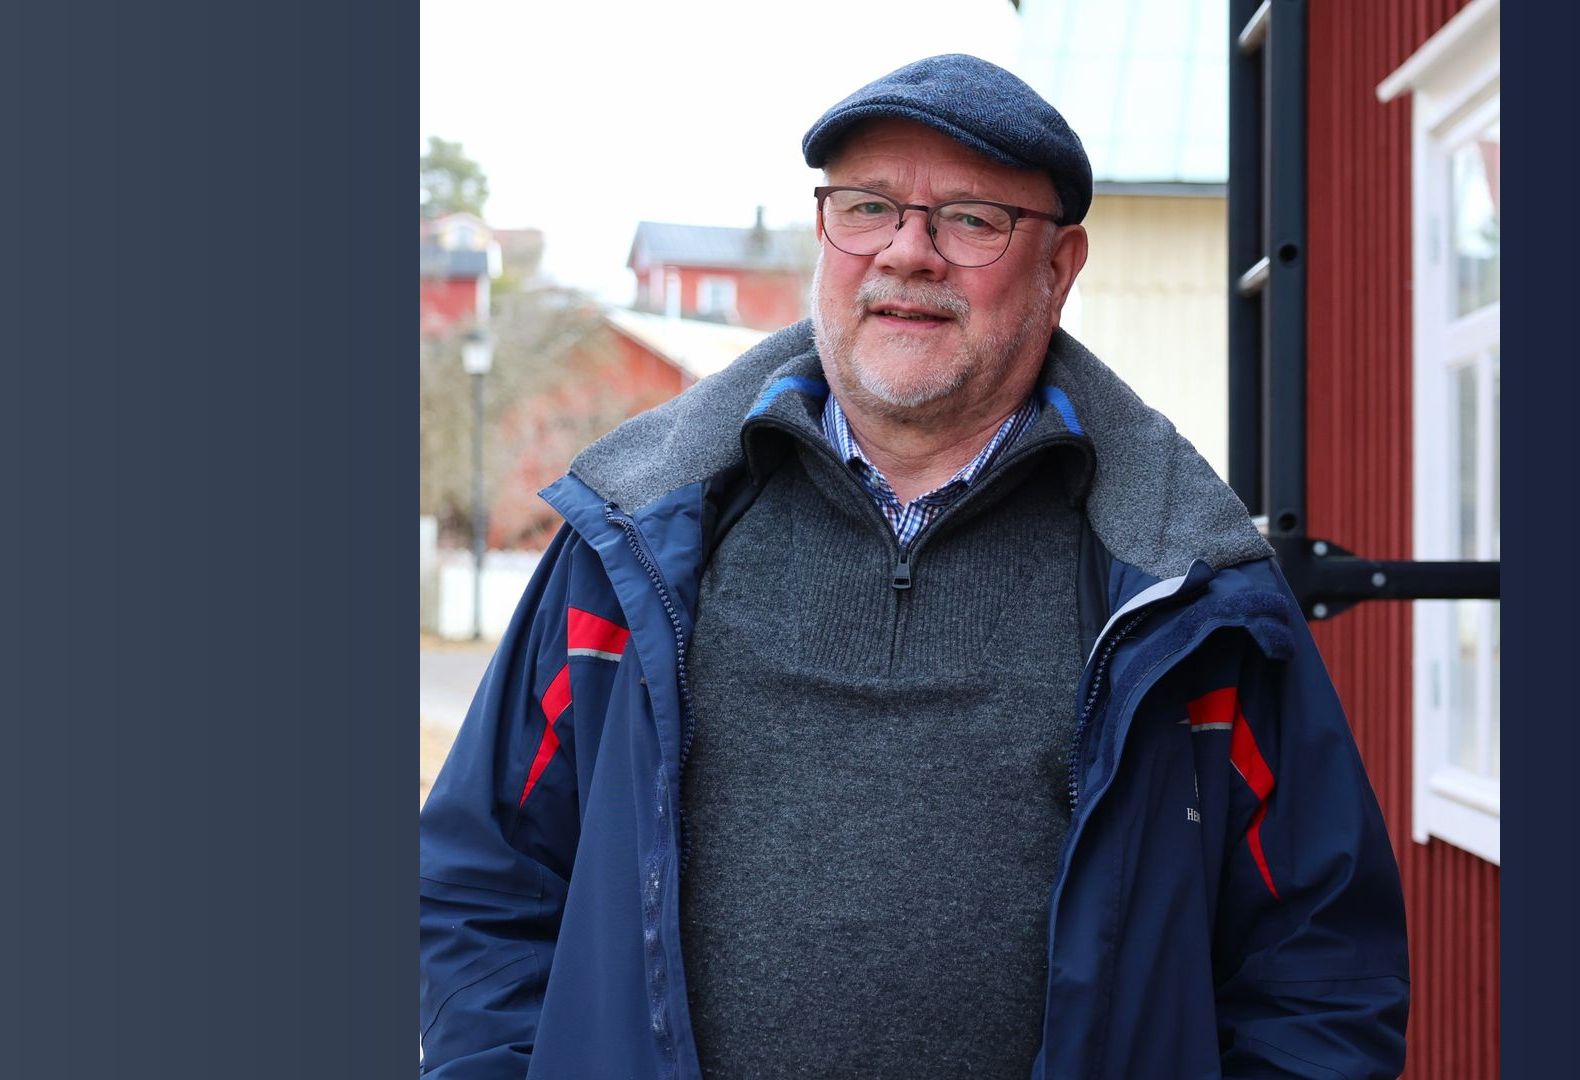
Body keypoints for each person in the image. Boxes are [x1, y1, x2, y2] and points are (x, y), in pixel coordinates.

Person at [421, 54, 1409, 1080]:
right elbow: (482, 883)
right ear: (823, 234)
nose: (907, 252)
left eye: (972, 219)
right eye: (867, 207)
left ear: (1061, 267)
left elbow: (1323, 969)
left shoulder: (1185, 590)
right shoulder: (632, 542)